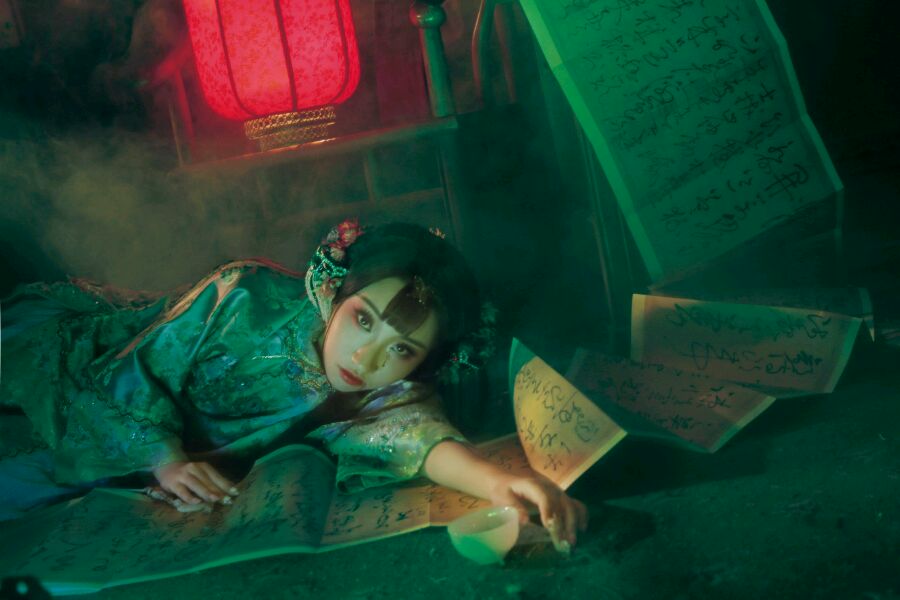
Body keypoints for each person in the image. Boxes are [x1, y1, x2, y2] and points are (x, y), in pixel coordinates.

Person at [0, 220, 586, 549]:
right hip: (81, 359)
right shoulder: (242, 296)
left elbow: (424, 440)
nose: (366, 358)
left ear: (424, 360)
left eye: (402, 349)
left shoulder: (379, 394)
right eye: (363, 320)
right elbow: (133, 368)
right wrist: (163, 458)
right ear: (337, 291)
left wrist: (503, 483)